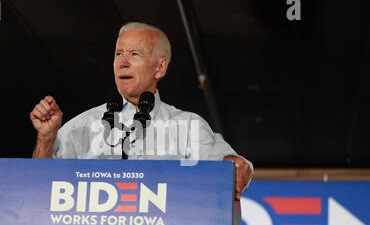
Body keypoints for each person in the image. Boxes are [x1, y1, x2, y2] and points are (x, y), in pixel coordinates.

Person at [30, 22, 253, 199]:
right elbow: (37, 189)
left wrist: (234, 166)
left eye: (134, 54)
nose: (122, 63)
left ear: (160, 67)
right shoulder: (81, 125)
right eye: (118, 54)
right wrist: (46, 138)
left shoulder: (187, 126)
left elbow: (229, 166)